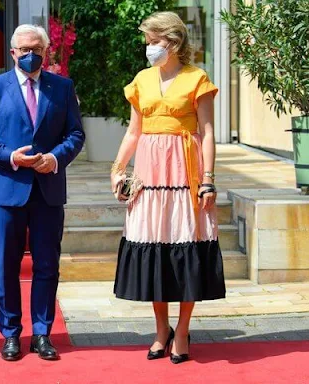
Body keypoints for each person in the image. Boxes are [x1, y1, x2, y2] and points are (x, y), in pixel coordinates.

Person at [111, 11, 226, 364]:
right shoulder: (142, 80)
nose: (149, 47)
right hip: (150, 178)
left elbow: (206, 132)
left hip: (185, 175)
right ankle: (161, 329)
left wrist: (208, 179)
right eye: (147, 40)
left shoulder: (197, 78)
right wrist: (117, 170)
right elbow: (134, 131)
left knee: (186, 248)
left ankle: (184, 328)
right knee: (153, 251)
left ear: (173, 43)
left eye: (154, 41)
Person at [0, 24, 84, 361]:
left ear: (45, 50)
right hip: (6, 190)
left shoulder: (62, 88)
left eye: (36, 48)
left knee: (47, 264)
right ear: (13, 52)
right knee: (6, 265)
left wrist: (55, 158)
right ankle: (10, 334)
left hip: (48, 190)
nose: (29, 54)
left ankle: (41, 332)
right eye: (23, 49)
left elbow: (75, 134)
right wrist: (10, 156)